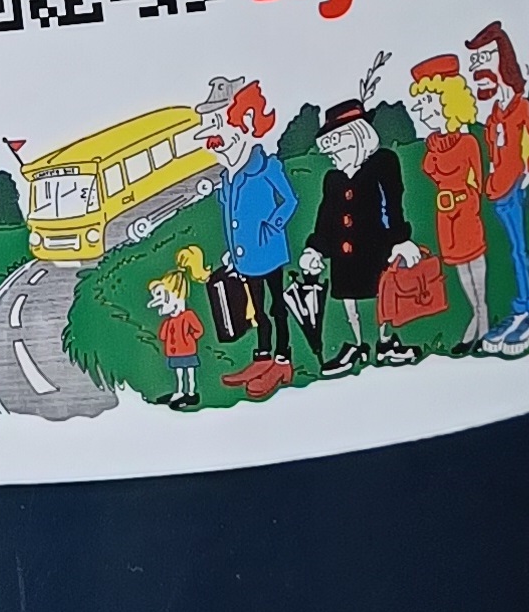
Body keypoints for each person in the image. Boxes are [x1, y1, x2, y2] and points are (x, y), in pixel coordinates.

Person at [299, 92, 425, 376]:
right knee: (348, 298)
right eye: (328, 146)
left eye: (336, 143)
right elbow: (326, 215)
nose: (331, 153)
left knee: (384, 294)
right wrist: (315, 248)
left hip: (375, 245)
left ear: (358, 136)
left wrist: (399, 239)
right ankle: (356, 344)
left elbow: (392, 203)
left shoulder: (383, 164)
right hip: (343, 251)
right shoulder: (333, 178)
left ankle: (385, 341)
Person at [199, 75, 303, 399]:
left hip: (268, 251)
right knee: (257, 310)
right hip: (245, 257)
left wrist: (272, 226)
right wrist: (231, 250)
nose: (214, 143)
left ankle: (283, 360)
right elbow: (229, 215)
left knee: (276, 306)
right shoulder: (227, 176)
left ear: (245, 124)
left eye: (219, 129)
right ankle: (262, 357)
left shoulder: (265, 166)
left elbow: (290, 200)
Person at [467, 21, 529, 357]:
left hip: (513, 188)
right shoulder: (494, 116)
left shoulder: (519, 109)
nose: (478, 71)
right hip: (497, 190)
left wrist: (526, 177)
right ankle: (520, 306)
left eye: (483, 59)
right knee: (510, 249)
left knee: (519, 249)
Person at [408, 54, 490, 353]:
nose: (421, 110)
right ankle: (476, 314)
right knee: (460, 268)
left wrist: (469, 205)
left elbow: (477, 179)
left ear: (448, 101)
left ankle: (482, 316)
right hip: (444, 214)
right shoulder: (432, 145)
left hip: (465, 208)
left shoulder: (467, 142)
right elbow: (430, 170)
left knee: (475, 261)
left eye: (427, 102)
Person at [149, 250, 207, 409]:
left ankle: (191, 393)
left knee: (190, 372)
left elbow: (199, 330)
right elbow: (163, 336)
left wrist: (189, 339)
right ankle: (179, 391)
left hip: (187, 351)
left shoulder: (187, 316)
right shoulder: (170, 321)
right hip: (174, 353)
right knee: (179, 372)